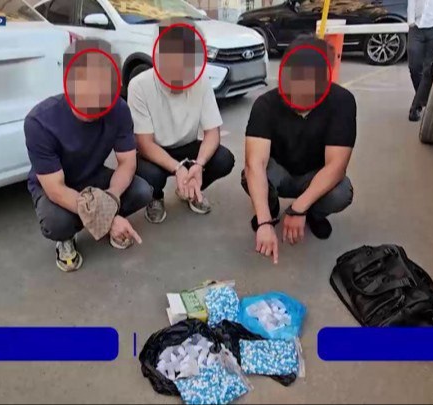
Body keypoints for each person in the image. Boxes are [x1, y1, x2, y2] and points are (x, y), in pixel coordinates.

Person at [25, 39, 152, 272]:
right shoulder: (40, 122)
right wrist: (106, 217)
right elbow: (55, 189)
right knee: (57, 223)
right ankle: (67, 239)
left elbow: (127, 162)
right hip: (58, 186)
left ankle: (105, 223)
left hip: (93, 176)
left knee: (142, 191)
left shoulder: (119, 109)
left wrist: (111, 199)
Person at [243, 35, 355, 264]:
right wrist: (264, 221)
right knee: (250, 175)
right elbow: (255, 163)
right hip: (280, 171)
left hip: (315, 175)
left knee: (341, 192)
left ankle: (314, 213)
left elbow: (337, 166)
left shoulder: (342, 102)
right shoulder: (265, 104)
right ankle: (270, 209)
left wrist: (298, 209)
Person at [127, 18, 235, 224]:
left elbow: (212, 132)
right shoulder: (139, 85)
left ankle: (191, 188)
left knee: (223, 159)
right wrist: (177, 168)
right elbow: (144, 143)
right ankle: (155, 197)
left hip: (187, 146)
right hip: (155, 150)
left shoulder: (201, 81)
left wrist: (198, 164)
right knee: (149, 174)